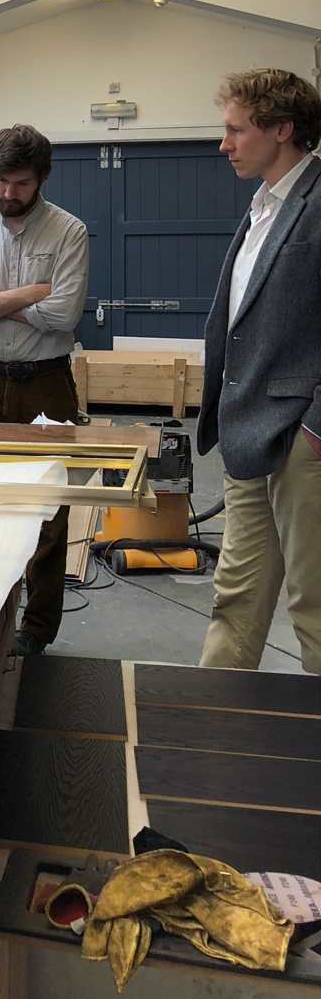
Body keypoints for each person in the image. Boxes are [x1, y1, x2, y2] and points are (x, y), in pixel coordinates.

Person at [0, 124, 88, 657]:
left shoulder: (69, 233)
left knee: (50, 511)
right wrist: (26, 296)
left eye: (21, 183)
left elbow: (64, 314)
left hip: (46, 385)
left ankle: (36, 630)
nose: (8, 194)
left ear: (42, 178)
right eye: (1, 181)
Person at [198, 69, 321, 674]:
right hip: (247, 436)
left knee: (315, 606)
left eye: (236, 130)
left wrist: (317, 427)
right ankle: (209, 732)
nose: (225, 144)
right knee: (236, 598)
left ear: (283, 129)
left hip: (303, 443)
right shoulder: (263, 206)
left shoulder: (318, 201)